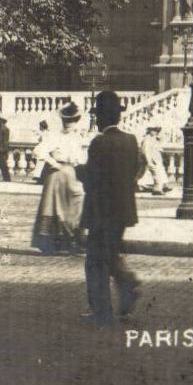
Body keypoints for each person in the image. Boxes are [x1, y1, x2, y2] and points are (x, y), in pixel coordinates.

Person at [80, 89, 141, 326]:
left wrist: (77, 170)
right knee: (110, 254)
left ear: (101, 118)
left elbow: (93, 177)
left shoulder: (99, 143)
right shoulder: (131, 141)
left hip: (101, 212)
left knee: (95, 262)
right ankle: (127, 285)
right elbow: (133, 170)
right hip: (123, 211)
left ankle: (102, 312)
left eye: (97, 116)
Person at [32, 101, 87, 254]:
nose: (68, 123)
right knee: (53, 208)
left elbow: (80, 157)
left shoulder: (77, 137)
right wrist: (53, 162)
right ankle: (51, 244)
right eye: (66, 120)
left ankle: (72, 241)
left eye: (71, 120)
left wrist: (77, 161)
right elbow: (38, 150)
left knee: (75, 205)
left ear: (76, 121)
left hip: (72, 174)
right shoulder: (54, 136)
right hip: (56, 175)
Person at [137, 126, 170, 195]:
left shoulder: (153, 139)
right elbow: (145, 151)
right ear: (150, 131)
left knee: (157, 173)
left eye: (157, 131)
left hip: (155, 159)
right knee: (155, 174)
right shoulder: (147, 139)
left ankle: (162, 186)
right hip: (151, 159)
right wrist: (148, 160)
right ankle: (157, 189)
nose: (156, 133)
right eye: (154, 131)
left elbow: (157, 148)